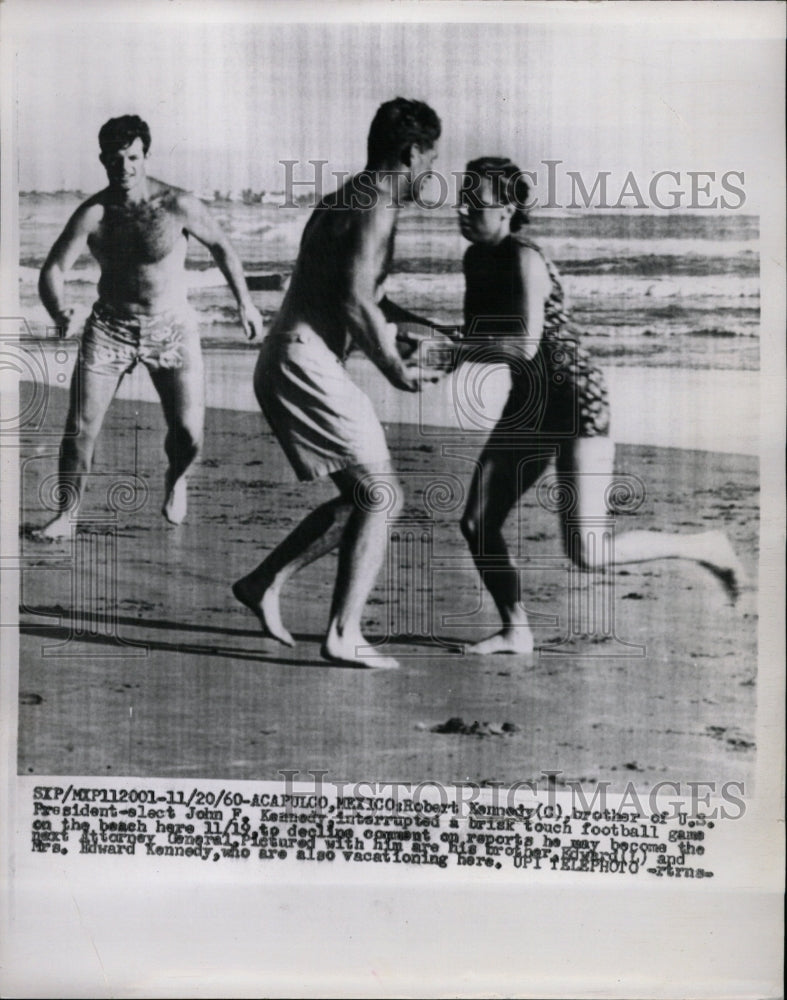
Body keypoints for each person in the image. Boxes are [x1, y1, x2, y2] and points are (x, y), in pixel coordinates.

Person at [453, 157, 746, 654]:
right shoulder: (474, 259)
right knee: (477, 522)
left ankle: (705, 547)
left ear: (507, 208)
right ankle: (515, 629)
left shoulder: (524, 256)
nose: (461, 210)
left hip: (574, 401)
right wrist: (432, 353)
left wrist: (454, 350)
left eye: (474, 201)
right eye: (459, 198)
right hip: (528, 402)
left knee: (587, 552)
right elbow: (478, 336)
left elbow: (522, 344)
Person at [232, 97, 441, 669]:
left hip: (287, 355)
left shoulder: (344, 199)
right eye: (431, 158)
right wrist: (395, 369)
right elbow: (354, 300)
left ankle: (263, 582)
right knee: (384, 495)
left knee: (363, 496)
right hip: (305, 360)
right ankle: (344, 633)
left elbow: (359, 291)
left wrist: (425, 329)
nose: (432, 172)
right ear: (412, 151)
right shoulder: (377, 204)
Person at [34, 115, 263, 538]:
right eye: (116, 160)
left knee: (189, 434)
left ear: (146, 156)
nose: (125, 168)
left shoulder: (178, 204)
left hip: (172, 326)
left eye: (133, 158)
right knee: (80, 428)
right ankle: (67, 515)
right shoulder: (94, 213)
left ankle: (177, 476)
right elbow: (53, 269)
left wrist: (246, 304)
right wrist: (59, 310)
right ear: (103, 159)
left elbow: (222, 247)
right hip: (110, 327)